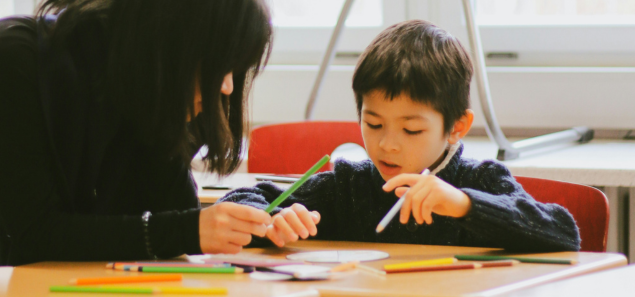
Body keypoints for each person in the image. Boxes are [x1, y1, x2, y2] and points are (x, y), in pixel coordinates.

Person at [0, 0, 273, 266]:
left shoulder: (130, 89)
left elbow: (173, 217)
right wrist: (189, 231)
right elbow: (39, 235)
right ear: (170, 44)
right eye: (220, 65)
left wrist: (259, 227)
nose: (227, 86)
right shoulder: (13, 63)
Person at [220, 20, 581, 252]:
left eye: (411, 129)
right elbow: (240, 199)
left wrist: (463, 205)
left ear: (456, 126)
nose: (387, 144)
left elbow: (564, 233)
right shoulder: (350, 186)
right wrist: (271, 220)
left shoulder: (480, 180)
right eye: (373, 124)